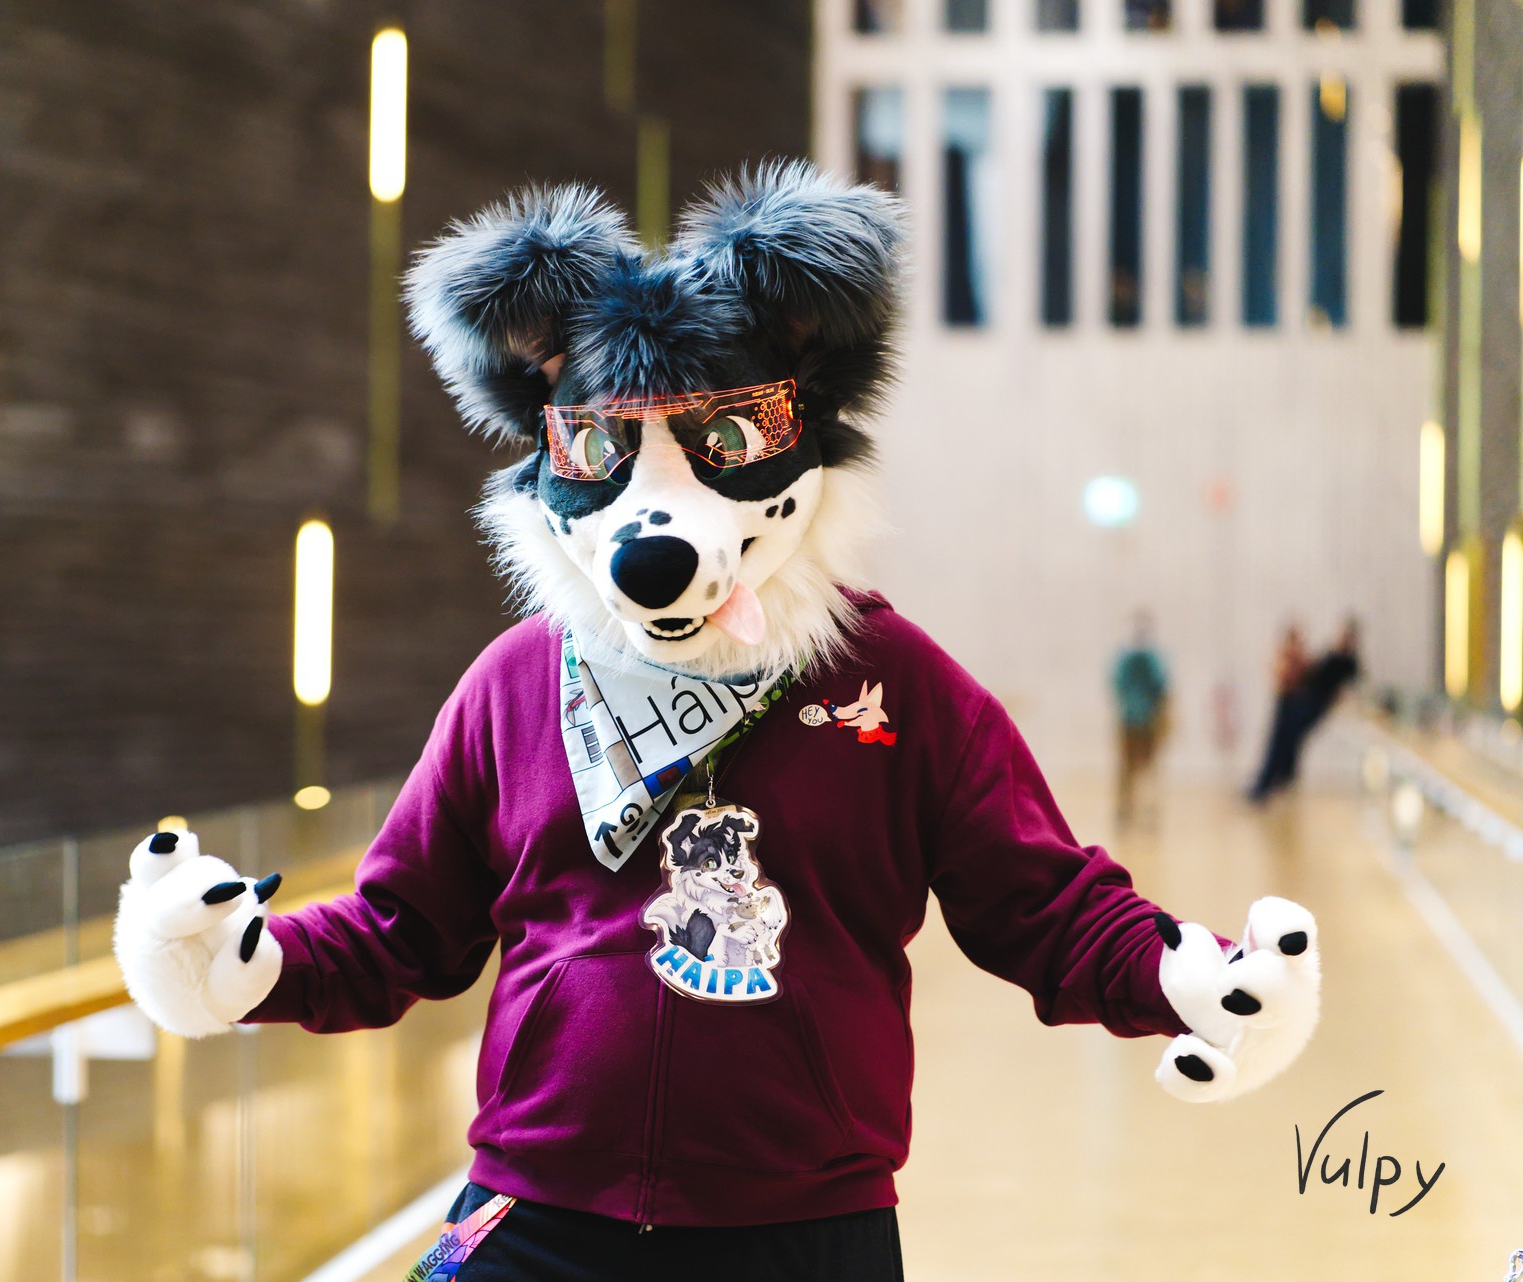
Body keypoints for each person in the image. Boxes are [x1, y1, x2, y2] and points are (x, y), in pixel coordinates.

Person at [112, 165, 1322, 1279]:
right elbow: (402, 927)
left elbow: (1043, 901)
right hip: (535, 1214)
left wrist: (1187, 976)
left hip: (802, 1231)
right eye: (602, 444)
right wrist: (243, 967)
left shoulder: (891, 682)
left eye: (724, 439)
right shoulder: (517, 683)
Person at [1249, 620, 1358, 803]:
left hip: (1312, 704)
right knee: (1283, 741)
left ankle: (1273, 781)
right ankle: (1274, 781)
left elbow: (1344, 687)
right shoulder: (1330, 655)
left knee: (1285, 740)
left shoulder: (1348, 662)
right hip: (1301, 701)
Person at [1111, 611, 1169, 825]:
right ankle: (1132, 811)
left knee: (1138, 768)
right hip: (1136, 720)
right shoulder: (1145, 659)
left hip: (1140, 720)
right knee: (1135, 768)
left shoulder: (1141, 658)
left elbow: (1118, 685)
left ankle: (1139, 811)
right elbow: (1161, 687)